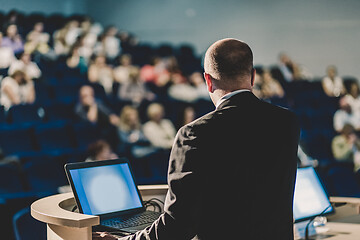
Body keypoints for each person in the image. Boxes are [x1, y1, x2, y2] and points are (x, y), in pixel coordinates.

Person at [95, 38, 300, 240]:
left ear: (208, 81)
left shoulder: (195, 134)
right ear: (253, 77)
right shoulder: (287, 122)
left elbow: (178, 227)